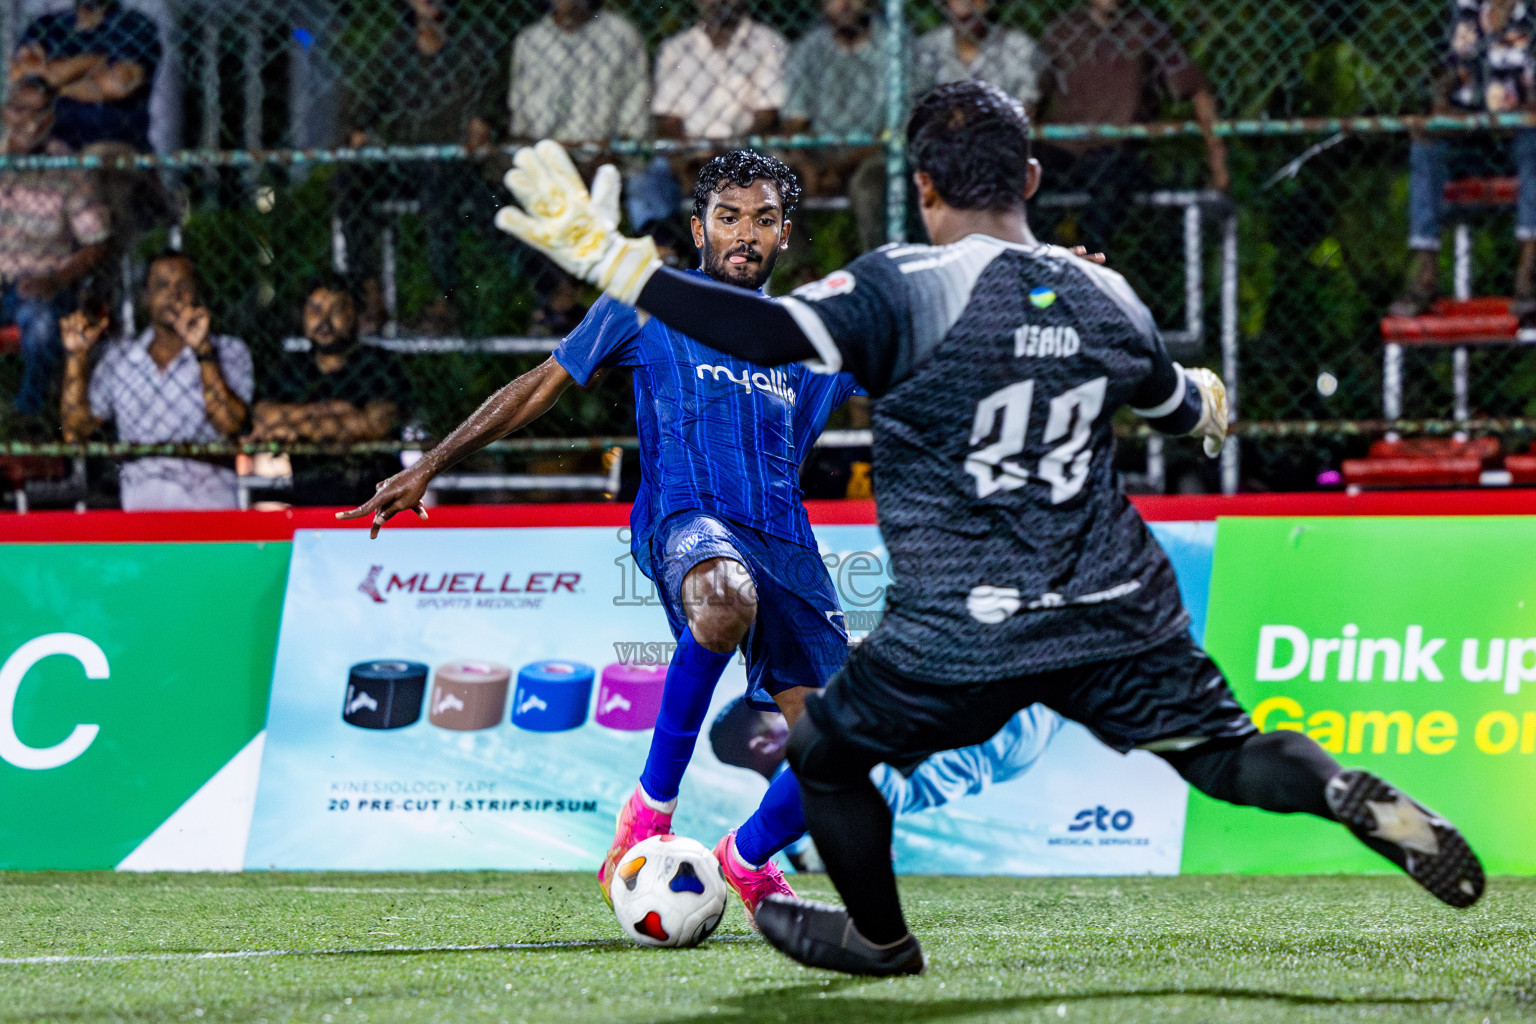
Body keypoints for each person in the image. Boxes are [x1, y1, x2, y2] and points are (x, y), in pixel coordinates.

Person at [491, 81, 1487, 977]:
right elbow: (1184, 404)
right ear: (1035, 177)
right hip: (1115, 608)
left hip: (965, 624)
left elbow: (760, 331)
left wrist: (620, 264)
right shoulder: (1105, 289)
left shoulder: (900, 283)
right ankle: (1341, 790)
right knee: (1226, 753)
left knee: (830, 753)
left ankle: (878, 938)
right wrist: (1206, 399)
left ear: (924, 185)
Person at [341, 152, 863, 926]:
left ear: (785, 234)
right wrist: (432, 463)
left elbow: (935, 352)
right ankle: (650, 810)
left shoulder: (812, 339)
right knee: (723, 602)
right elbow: (539, 388)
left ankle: (746, 860)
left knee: (851, 748)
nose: (744, 235)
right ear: (698, 228)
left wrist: (1047, 298)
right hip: (689, 518)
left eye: (762, 220)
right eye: (728, 217)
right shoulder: (647, 306)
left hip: (789, 545)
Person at [336, 0, 503, 332]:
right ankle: (370, 296)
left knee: (439, 179)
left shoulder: (471, 49)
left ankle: (445, 299)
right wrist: (359, 131)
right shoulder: (394, 51)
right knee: (349, 179)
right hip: (402, 162)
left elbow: (489, 112)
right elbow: (360, 109)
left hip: (453, 165)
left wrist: (481, 125)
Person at [59, 250, 251, 510]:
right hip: (142, 516)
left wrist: (203, 350)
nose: (173, 294)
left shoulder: (228, 350)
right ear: (146, 298)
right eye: (162, 285)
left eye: (183, 286)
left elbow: (228, 423)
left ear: (198, 294)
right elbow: (75, 431)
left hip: (210, 513)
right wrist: (77, 357)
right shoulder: (122, 357)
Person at [1035, 0, 1228, 249]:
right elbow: (1031, 97)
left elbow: (1196, 90)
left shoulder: (1145, 28)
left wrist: (1217, 160)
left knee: (1107, 179)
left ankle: (1095, 267)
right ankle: (1038, 265)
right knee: (1030, 179)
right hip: (1064, 150)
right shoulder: (1061, 31)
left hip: (1117, 154)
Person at [1392, 0, 1536, 317]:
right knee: (1425, 143)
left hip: (1522, 132)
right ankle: (1425, 268)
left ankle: (1529, 272)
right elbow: (1446, 72)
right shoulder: (1464, 8)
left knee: (1533, 141)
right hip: (1470, 128)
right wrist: (1441, 109)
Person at [711, 696, 1060, 822]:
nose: (789, 702)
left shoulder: (797, 790)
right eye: (775, 710)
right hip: (1004, 735)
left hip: (1002, 749)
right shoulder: (809, 772)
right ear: (762, 744)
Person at [247, 276, 413, 507]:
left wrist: (293, 427)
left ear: (355, 314)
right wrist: (342, 412)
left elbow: (375, 424)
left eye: (336, 309)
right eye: (315, 310)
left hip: (376, 500)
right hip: (310, 501)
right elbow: (264, 420)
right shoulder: (290, 369)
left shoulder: (379, 364)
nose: (324, 320)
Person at [0, 76, 109, 422]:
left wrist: (55, 279)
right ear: (5, 113)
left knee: (42, 322)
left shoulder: (68, 170)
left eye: (38, 112)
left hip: (42, 286)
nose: (27, 121)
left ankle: (27, 416)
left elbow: (96, 245)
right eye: (19, 109)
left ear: (49, 119)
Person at [781, 0, 897, 253]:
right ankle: (801, 273)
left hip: (872, 153)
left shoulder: (893, 46)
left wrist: (839, 168)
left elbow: (892, 128)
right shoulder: (809, 48)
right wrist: (808, 167)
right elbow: (795, 122)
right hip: (821, 152)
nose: (843, 4)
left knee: (868, 186)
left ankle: (878, 270)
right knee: (776, 173)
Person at [11, 0, 160, 154]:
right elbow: (19, 76)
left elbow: (119, 84)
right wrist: (98, 61)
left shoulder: (133, 26)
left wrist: (51, 83)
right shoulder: (46, 26)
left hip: (114, 148)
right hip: (52, 145)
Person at [509, 0, 649, 145]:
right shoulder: (530, 41)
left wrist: (608, 148)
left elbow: (636, 120)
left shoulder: (622, 36)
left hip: (608, 154)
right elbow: (521, 122)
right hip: (547, 153)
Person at [652, 0, 787, 141]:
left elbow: (767, 114)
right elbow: (668, 118)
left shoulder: (768, 42)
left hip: (749, 150)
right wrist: (686, 156)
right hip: (692, 151)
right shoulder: (675, 49)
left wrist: (731, 154)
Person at [910, 0, 1041, 111]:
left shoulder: (1018, 46)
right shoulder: (929, 47)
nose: (969, 3)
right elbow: (917, 103)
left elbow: (1027, 107)